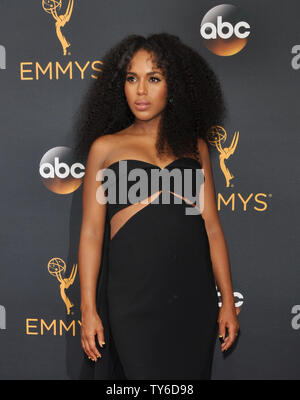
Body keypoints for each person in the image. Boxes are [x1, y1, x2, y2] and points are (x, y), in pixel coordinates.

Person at [75, 33, 240, 380]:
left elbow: (211, 226)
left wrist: (227, 301)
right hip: (130, 299)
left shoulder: (195, 149)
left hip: (191, 297)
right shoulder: (105, 148)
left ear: (174, 85)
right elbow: (91, 232)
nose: (140, 91)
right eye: (132, 78)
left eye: (154, 79)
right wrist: (88, 309)